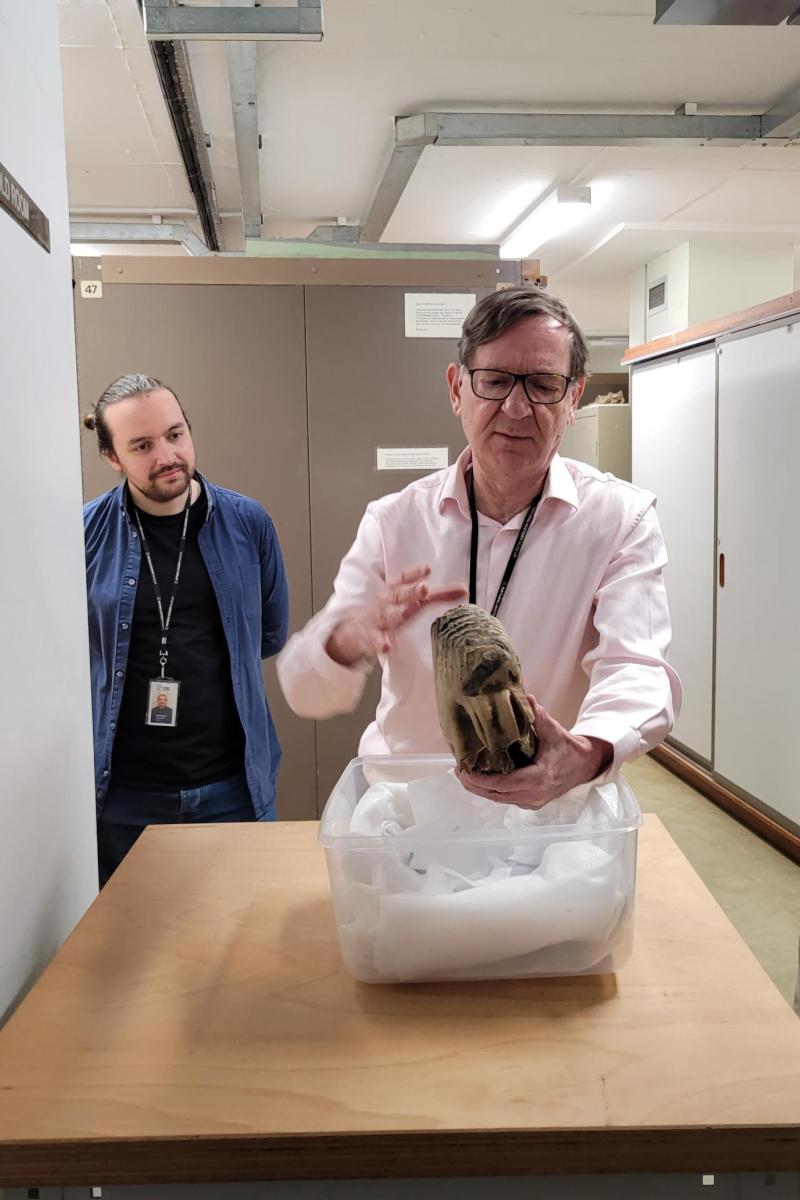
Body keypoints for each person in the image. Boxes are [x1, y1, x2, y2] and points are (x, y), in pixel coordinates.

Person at [277, 287, 681, 809]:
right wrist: (345, 641)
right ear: (456, 388)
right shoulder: (394, 522)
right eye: (494, 381)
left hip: (549, 813)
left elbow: (637, 667)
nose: (516, 406)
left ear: (573, 398)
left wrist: (585, 753)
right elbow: (304, 690)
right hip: (411, 812)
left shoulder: (620, 520)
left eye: (543, 384)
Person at [84, 373, 289, 884]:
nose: (167, 455)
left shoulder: (248, 524)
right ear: (113, 457)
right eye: (142, 445)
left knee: (241, 943)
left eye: (176, 435)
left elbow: (269, 633)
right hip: (123, 798)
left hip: (232, 789)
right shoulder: (83, 535)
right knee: (131, 951)